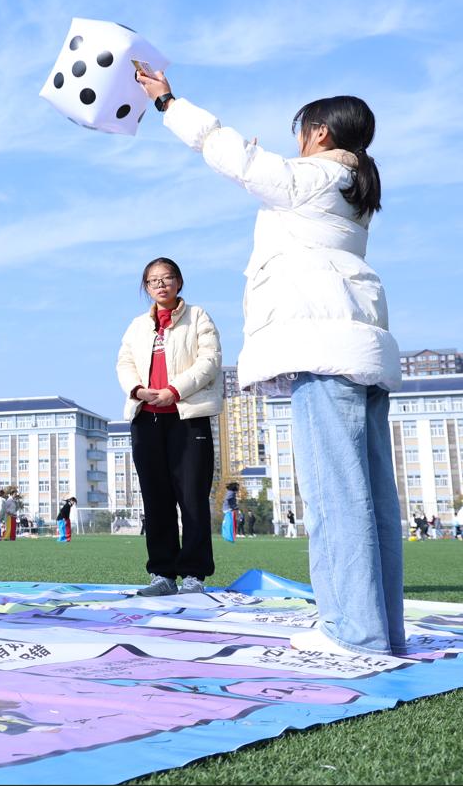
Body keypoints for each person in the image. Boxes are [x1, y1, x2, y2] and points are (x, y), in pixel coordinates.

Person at [137, 72, 403, 657]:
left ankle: (352, 632)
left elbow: (230, 154)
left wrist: (166, 102)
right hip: (358, 346)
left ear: (320, 133)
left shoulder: (313, 177)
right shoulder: (350, 188)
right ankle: (382, 628)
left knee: (334, 496)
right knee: (371, 497)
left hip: (325, 354)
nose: (296, 142)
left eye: (301, 131)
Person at [116, 256, 222, 597]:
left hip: (187, 416)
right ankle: (162, 574)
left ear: (179, 282)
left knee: (191, 497)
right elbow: (125, 362)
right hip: (146, 419)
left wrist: (174, 391)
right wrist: (138, 390)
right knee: (155, 498)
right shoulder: (137, 326)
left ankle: (193, 575)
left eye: (167, 278)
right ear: (146, 287)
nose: (160, 285)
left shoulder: (198, 316)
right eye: (153, 280)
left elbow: (210, 360)